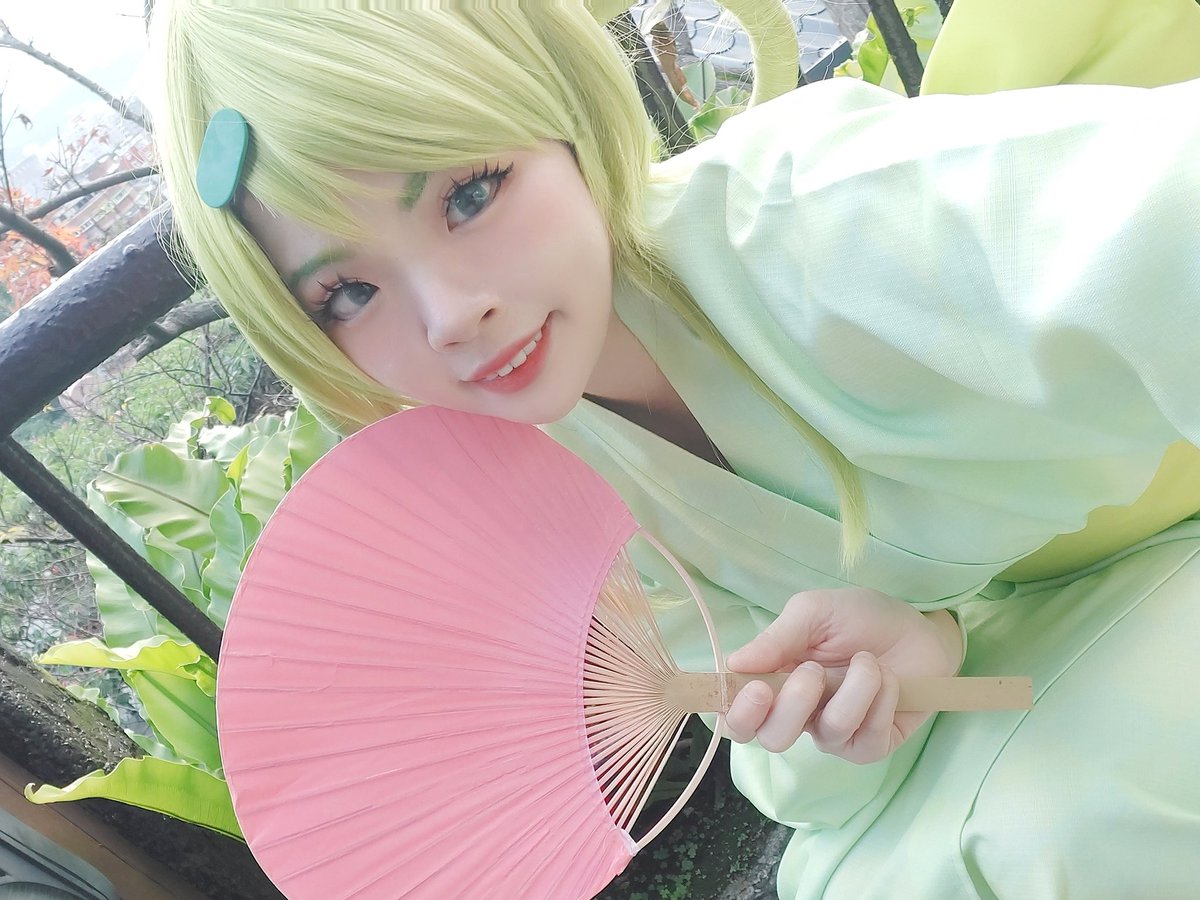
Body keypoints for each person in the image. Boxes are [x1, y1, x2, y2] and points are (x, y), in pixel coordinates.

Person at [150, 1, 1200, 896]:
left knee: (1072, 834)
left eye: (468, 193)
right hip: (1016, 667)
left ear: (560, 111)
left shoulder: (811, 219)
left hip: (1170, 538)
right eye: (348, 292)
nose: (451, 314)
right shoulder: (553, 467)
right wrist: (911, 660)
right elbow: (804, 785)